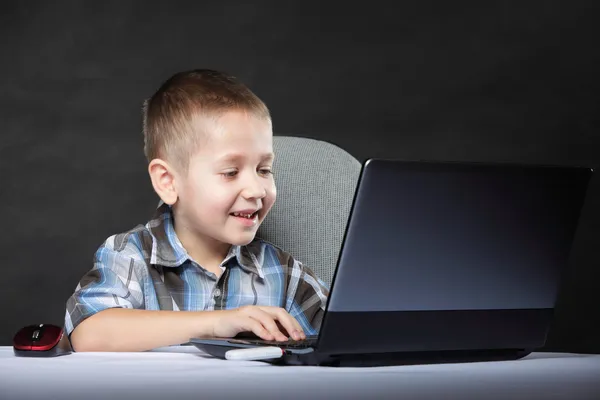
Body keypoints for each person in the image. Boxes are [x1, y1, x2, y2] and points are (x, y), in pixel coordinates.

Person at [64, 69, 329, 352]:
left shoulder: (283, 273)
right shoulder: (130, 255)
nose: (256, 189)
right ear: (168, 182)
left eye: (264, 169)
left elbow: (349, 338)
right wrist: (214, 324)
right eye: (230, 172)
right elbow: (88, 333)